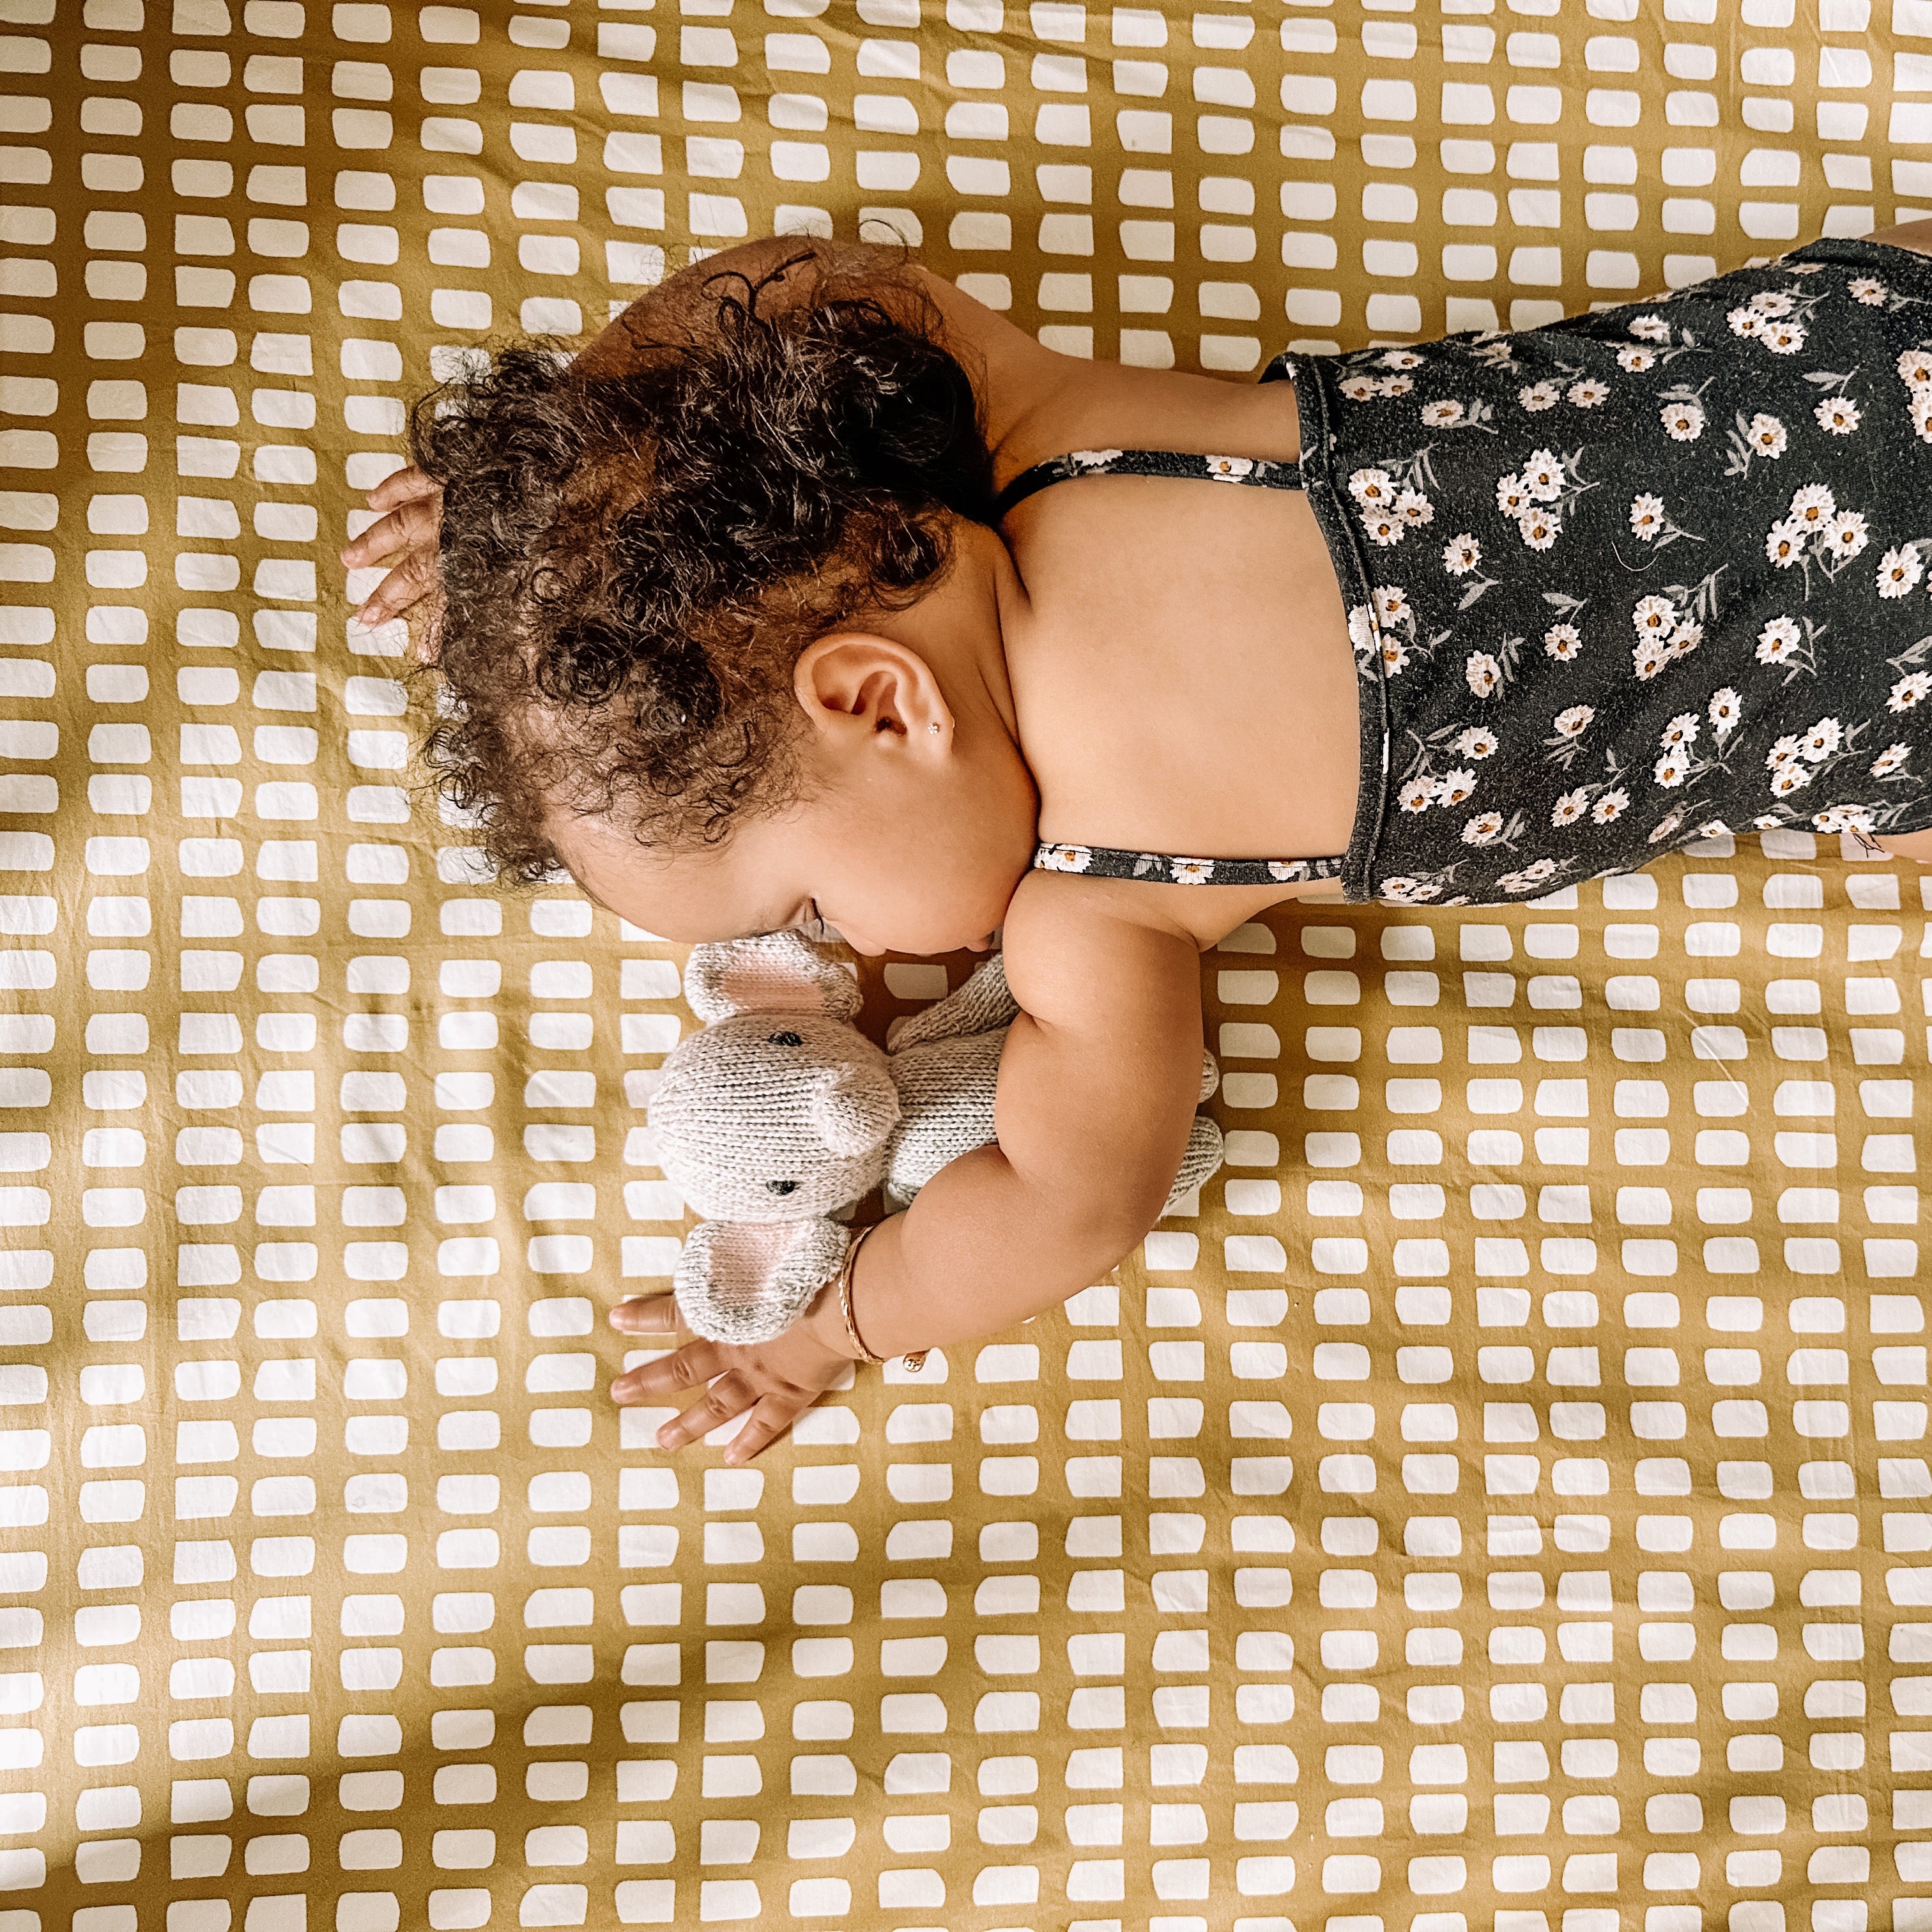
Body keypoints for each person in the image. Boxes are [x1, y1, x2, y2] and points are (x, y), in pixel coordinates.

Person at [345, 220, 1932, 1463]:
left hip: (1891, 686)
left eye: (809, 895)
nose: (843, 952)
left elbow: (1069, 1197)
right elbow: (795, 280)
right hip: (1840, 360)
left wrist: (825, 1332)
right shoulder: (1060, 433)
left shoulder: (1101, 910)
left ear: (880, 707)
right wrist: (553, 480)